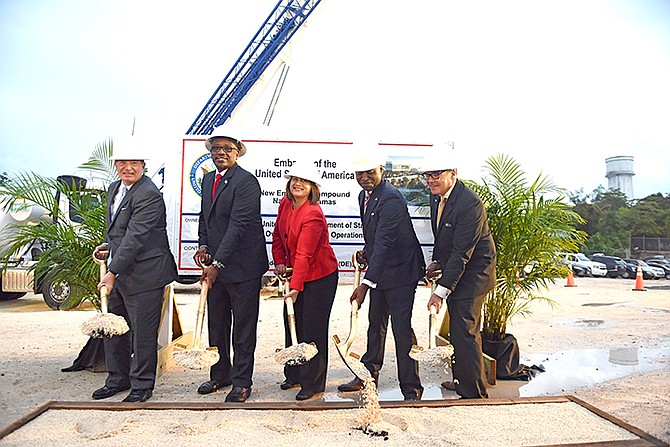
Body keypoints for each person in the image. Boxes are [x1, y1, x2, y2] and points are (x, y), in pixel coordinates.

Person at [91, 138, 178, 403]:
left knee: (142, 334)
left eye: (134, 163)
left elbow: (136, 236)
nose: (127, 167)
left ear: (143, 165)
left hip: (146, 274)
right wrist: (108, 246)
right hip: (121, 270)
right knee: (114, 329)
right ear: (115, 165)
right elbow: (120, 231)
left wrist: (112, 272)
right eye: (122, 162)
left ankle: (141, 386)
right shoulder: (114, 188)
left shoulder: (148, 194)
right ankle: (117, 379)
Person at [337, 152, 425, 401]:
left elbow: (386, 242)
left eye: (369, 172)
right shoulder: (364, 196)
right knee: (375, 324)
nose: (364, 178)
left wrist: (365, 284)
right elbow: (377, 238)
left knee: (401, 328)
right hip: (382, 271)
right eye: (359, 173)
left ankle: (411, 389)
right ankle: (367, 376)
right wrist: (367, 251)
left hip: (402, 272)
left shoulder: (391, 199)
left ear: (381, 170)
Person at [193, 126, 269, 403]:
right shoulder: (208, 180)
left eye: (227, 149)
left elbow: (238, 225)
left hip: (243, 268)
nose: (221, 153)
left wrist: (218, 263)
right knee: (218, 324)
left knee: (243, 329)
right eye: (216, 148)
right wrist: (203, 246)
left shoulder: (246, 182)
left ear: (237, 153)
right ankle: (220, 374)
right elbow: (206, 218)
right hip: (217, 265)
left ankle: (241, 381)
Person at [422, 151, 496, 399]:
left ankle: (474, 392)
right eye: (427, 175)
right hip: (459, 269)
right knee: (458, 331)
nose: (431, 180)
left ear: (453, 174)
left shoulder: (469, 203)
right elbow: (444, 239)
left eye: (436, 174)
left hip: (475, 274)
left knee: (465, 331)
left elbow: (462, 253)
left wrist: (440, 292)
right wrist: (436, 263)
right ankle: (462, 379)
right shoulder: (437, 198)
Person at [271, 165, 339, 401]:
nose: (297, 184)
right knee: (293, 324)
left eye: (304, 181)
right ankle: (295, 374)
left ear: (313, 188)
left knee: (312, 330)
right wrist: (279, 262)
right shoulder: (284, 204)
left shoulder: (313, 214)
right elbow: (278, 235)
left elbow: (305, 254)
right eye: (294, 179)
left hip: (319, 277)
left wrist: (296, 287)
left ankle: (313, 384)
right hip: (295, 273)